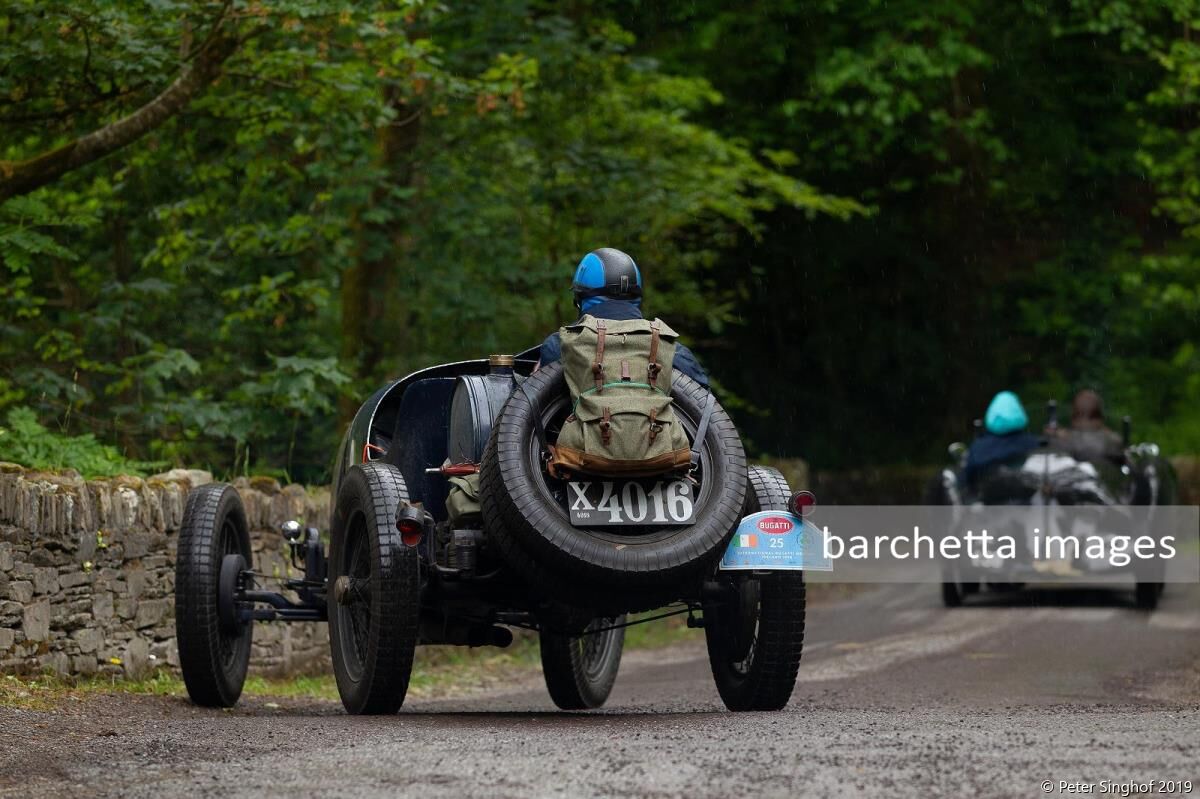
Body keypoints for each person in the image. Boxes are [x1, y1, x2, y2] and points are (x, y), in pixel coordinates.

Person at [537, 248, 709, 386]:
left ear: (579, 299)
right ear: (637, 296)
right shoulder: (673, 351)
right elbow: (708, 410)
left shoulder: (559, 346)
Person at [963, 390, 1041, 486]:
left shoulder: (978, 448)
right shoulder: (1033, 443)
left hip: (990, 494)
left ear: (991, 414)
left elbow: (967, 481)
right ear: (1019, 412)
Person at [1050, 388, 1124, 463]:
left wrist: (1055, 435)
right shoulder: (1113, 440)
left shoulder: (1063, 440)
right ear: (1100, 415)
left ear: (1075, 414)